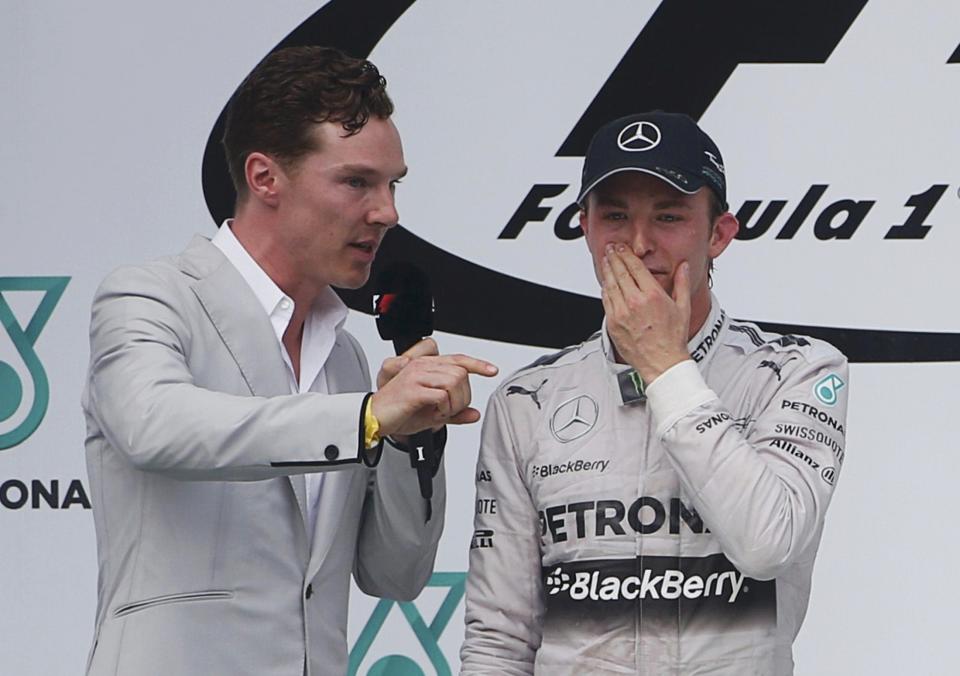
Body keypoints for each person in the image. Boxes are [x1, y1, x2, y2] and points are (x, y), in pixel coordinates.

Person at [82, 46, 497, 676]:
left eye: (393, 185)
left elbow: (397, 575)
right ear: (264, 177)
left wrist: (413, 439)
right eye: (357, 182)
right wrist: (366, 417)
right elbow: (153, 425)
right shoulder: (150, 295)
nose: (388, 212)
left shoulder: (348, 357)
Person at [461, 111, 847, 675]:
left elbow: (768, 543)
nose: (639, 245)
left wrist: (666, 366)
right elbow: (500, 638)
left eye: (668, 217)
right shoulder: (529, 400)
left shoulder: (796, 371)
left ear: (718, 234)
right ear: (585, 228)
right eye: (615, 216)